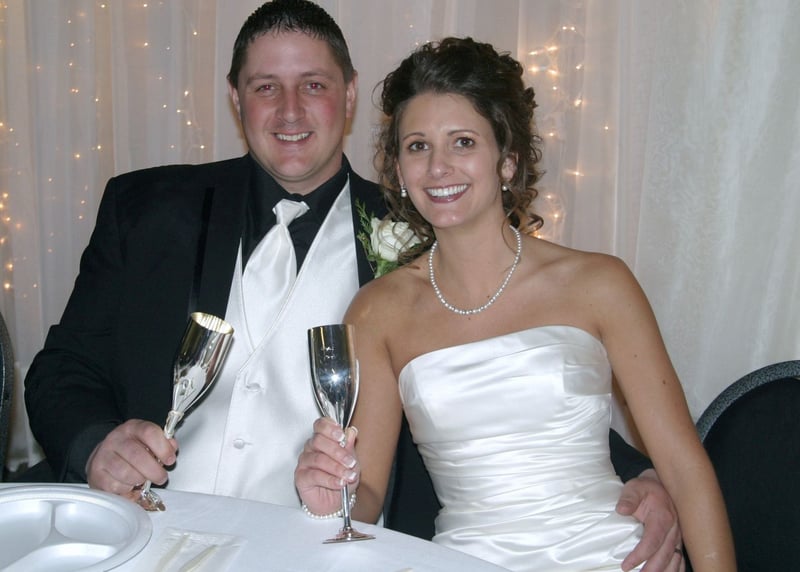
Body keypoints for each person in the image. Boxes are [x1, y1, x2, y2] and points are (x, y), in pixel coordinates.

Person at [23, 1, 678, 568]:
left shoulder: (427, 221)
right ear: (235, 99)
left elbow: (511, 367)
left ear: (351, 94)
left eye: (313, 85)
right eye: (265, 87)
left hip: (325, 553)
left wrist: (636, 473)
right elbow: (60, 370)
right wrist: (95, 444)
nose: (289, 110)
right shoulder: (146, 208)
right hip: (143, 535)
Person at [294, 37, 735, 571]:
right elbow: (367, 497)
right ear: (399, 170)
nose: (438, 167)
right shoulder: (376, 312)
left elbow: (685, 471)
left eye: (462, 142)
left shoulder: (600, 284)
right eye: (417, 146)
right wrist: (332, 496)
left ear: (507, 161)